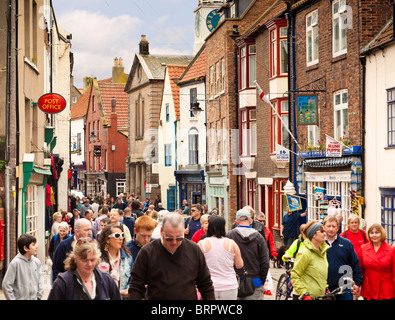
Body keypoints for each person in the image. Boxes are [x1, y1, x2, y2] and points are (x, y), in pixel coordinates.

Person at [128, 212, 215, 300]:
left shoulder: (194, 250)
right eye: (169, 238)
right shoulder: (147, 252)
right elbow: (136, 286)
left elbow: (205, 284)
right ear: (162, 232)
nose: (174, 242)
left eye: (179, 238)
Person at [48, 239, 121, 300]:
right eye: (85, 260)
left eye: (92, 260)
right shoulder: (63, 283)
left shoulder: (106, 280)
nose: (89, 264)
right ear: (75, 259)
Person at [226, 209, 270, 300]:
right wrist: (262, 281)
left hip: (234, 282)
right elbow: (265, 263)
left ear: (237, 221)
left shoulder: (229, 236)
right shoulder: (259, 237)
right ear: (250, 221)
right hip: (255, 282)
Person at [198, 216, 244, 300]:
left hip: (209, 286)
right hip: (229, 285)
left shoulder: (202, 244)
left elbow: (197, 266)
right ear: (223, 227)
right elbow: (239, 265)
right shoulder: (231, 244)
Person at [323, 215, 363, 300]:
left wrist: (358, 283)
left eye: (333, 226)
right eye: (328, 226)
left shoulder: (346, 243)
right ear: (324, 227)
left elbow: (355, 264)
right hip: (324, 287)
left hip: (345, 287)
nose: (331, 229)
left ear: (337, 228)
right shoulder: (319, 244)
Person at [290, 220, 330, 299]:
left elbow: (319, 275)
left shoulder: (322, 252)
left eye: (324, 231)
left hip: (318, 297)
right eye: (322, 231)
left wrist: (325, 288)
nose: (325, 233)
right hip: (304, 297)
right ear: (313, 234)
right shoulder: (305, 253)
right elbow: (295, 275)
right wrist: (304, 293)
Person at [357, 223, 395, 300]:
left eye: (377, 233)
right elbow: (358, 269)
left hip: (386, 289)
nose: (374, 235)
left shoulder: (391, 250)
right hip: (369, 288)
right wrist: (357, 284)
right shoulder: (363, 248)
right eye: (372, 233)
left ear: (382, 234)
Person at [2, 234, 44, 300]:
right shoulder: (15, 263)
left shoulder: (37, 262)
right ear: (25, 248)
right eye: (33, 245)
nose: (36, 246)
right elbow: (6, 285)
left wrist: (39, 296)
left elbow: (40, 280)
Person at [98, 224, 134, 299]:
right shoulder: (98, 258)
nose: (121, 238)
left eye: (122, 235)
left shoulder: (128, 258)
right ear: (107, 240)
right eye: (117, 235)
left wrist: (129, 288)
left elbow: (132, 280)